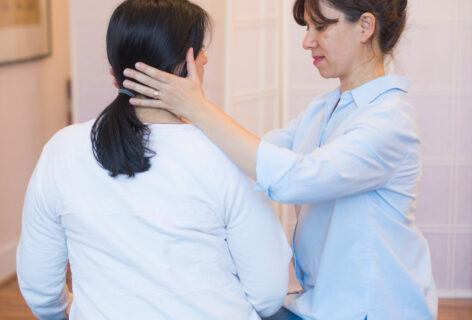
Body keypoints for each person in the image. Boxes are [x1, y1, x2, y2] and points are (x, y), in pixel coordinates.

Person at [120, 0, 438, 319]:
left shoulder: (390, 122)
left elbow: (293, 179)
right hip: (317, 303)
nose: (307, 41)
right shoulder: (324, 108)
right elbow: (255, 154)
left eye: (322, 26)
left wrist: (196, 107)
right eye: (307, 28)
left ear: (365, 27)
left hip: (375, 308)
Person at [16, 0, 292, 319]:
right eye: (200, 49)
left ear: (114, 70)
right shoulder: (225, 153)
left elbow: (40, 290)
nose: (206, 58)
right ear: (185, 66)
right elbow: (269, 291)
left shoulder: (62, 150)